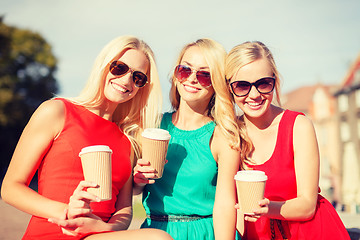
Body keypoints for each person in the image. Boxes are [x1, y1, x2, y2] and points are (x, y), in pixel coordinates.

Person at [1, 35, 173, 240]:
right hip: (54, 232)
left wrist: (102, 227)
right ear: (103, 65)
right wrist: (67, 212)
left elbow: (124, 210)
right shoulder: (56, 111)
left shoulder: (128, 141)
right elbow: (10, 188)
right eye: (119, 68)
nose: (127, 80)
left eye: (138, 77)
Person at [225, 41, 350, 239]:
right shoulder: (230, 133)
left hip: (309, 232)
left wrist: (266, 208)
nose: (255, 94)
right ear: (230, 88)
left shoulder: (298, 126)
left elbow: (307, 206)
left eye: (263, 83)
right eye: (242, 86)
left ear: (274, 81)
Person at [133, 38, 241, 240]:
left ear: (216, 83)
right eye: (185, 70)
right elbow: (131, 190)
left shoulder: (222, 135)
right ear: (175, 75)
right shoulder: (152, 125)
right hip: (154, 232)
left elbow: (225, 204)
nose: (192, 79)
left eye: (204, 75)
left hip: (203, 233)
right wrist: (138, 181)